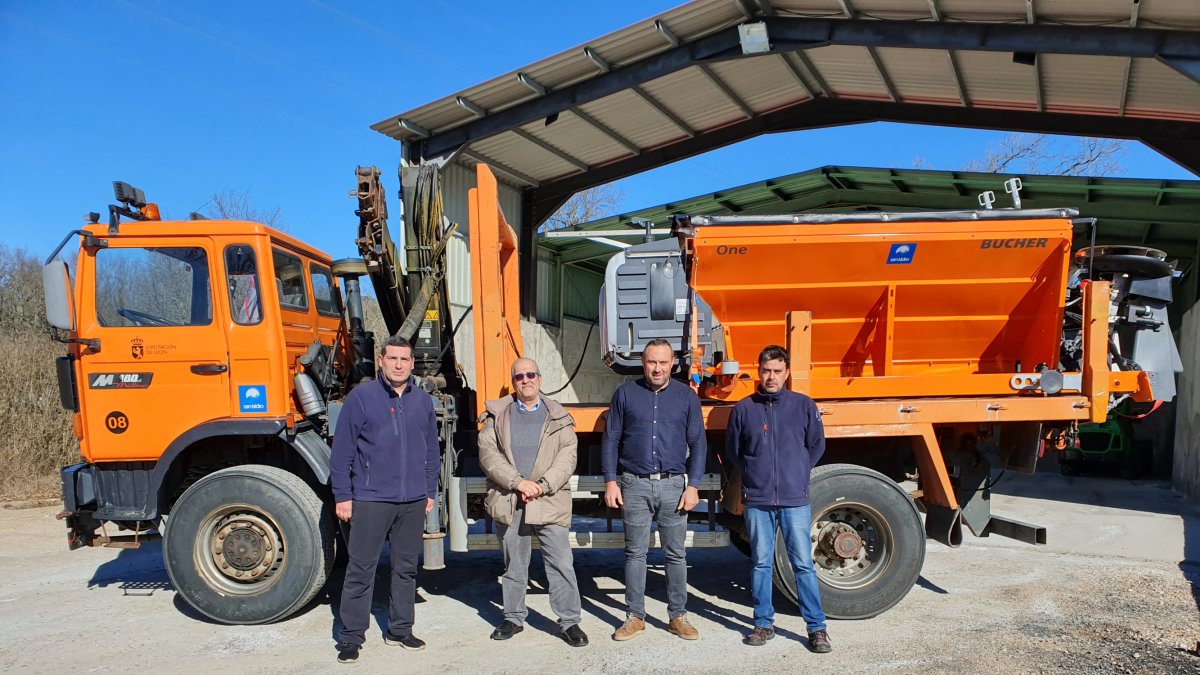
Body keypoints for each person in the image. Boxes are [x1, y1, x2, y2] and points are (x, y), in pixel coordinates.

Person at [329, 335, 440, 664]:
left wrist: (429, 491)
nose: (399, 365)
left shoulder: (422, 401)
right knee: (361, 568)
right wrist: (343, 496)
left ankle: (400, 630)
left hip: (412, 500)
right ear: (381, 360)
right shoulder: (361, 398)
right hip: (371, 498)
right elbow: (343, 452)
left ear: (412, 363)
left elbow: (432, 450)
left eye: (405, 360)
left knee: (405, 569)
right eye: (392, 359)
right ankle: (351, 637)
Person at [725, 344, 831, 654]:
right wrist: (756, 475)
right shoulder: (744, 409)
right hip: (757, 500)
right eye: (766, 370)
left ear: (786, 373)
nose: (771, 376)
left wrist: (796, 473)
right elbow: (734, 451)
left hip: (794, 499)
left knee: (802, 564)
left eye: (777, 371)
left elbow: (816, 446)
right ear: (758, 371)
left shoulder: (803, 406)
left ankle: (817, 628)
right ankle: (762, 623)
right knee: (760, 563)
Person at [477, 358, 588, 648]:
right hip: (510, 498)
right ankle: (513, 617)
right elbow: (488, 454)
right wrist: (518, 482)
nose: (525, 380)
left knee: (561, 562)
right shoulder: (497, 415)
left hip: (549, 499)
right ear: (513, 382)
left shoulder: (558, 416)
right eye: (519, 376)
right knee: (514, 563)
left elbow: (568, 456)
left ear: (539, 378)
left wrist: (542, 485)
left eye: (530, 375)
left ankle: (569, 622)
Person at [602, 338, 707, 642]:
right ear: (643, 363)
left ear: (673, 363)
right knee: (635, 553)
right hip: (633, 484)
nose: (657, 368)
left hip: (674, 485)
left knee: (675, 555)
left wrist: (694, 485)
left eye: (663, 362)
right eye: (651, 362)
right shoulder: (625, 394)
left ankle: (678, 616)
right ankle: (635, 617)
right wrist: (611, 480)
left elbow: (698, 443)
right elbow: (611, 439)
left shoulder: (686, 397)